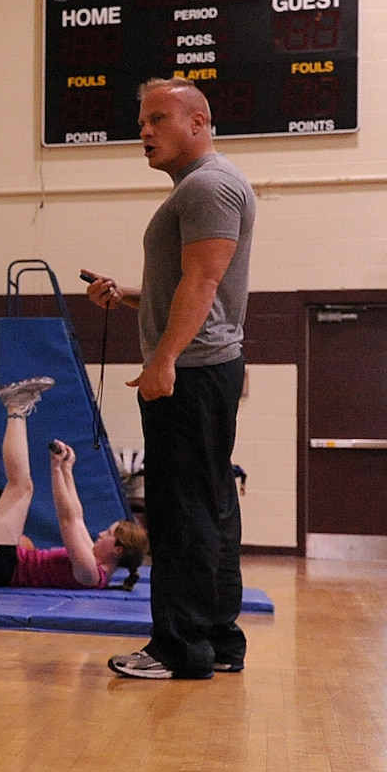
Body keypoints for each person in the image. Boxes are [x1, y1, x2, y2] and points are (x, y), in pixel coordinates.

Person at [85, 77, 256, 680]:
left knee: (181, 511)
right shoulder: (203, 188)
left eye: (159, 119)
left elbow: (204, 283)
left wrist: (162, 361)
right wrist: (130, 296)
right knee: (210, 509)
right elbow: (190, 288)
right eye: (141, 122)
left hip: (191, 372)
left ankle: (178, 650)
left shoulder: (208, 186)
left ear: (199, 123)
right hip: (202, 365)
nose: (145, 131)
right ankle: (219, 641)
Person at [0, 378, 149, 591]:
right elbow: (77, 516)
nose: (100, 534)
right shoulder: (92, 559)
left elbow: (67, 520)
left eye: (108, 534)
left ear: (117, 550)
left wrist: (57, 471)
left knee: (21, 487)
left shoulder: (90, 572)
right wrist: (65, 469)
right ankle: (17, 409)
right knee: (21, 486)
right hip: (0, 563)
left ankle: (15, 407)